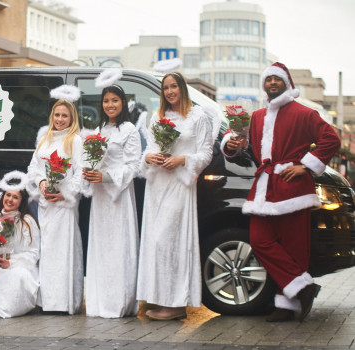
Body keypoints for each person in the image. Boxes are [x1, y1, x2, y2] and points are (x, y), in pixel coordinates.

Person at [223, 62, 340, 322]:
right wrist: (233, 144)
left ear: (287, 83)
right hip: (265, 186)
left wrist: (305, 166)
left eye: (277, 79)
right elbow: (245, 147)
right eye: (268, 80)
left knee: (294, 247)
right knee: (260, 239)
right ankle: (304, 287)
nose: (272, 83)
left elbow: (331, 139)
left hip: (293, 188)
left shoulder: (304, 113)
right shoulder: (257, 116)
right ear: (264, 84)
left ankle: (287, 305)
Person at [137, 72, 214, 320]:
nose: (170, 91)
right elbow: (149, 148)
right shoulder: (157, 116)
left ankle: (177, 304)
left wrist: (182, 160)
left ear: (182, 88)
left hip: (180, 185)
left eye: (174, 86)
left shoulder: (198, 116)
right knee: (156, 243)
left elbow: (206, 153)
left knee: (169, 240)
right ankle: (160, 299)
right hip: (157, 185)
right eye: (166, 88)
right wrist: (149, 158)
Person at [82, 73, 142, 318]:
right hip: (100, 199)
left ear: (123, 102)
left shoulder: (129, 130)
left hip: (118, 197)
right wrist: (88, 171)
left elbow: (134, 165)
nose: (110, 105)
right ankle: (99, 302)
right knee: (102, 247)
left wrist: (107, 177)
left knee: (118, 248)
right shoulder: (99, 130)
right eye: (106, 101)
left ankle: (119, 302)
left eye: (114, 100)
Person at [27, 92, 84, 315]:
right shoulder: (46, 138)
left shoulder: (75, 141)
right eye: (57, 115)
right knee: (47, 251)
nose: (60, 119)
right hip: (45, 205)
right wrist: (41, 183)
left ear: (72, 119)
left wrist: (65, 194)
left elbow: (80, 174)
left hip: (64, 207)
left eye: (65, 116)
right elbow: (33, 168)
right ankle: (47, 301)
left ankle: (64, 302)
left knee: (63, 252)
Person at [0, 172, 41, 318]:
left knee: (17, 276)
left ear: (21, 201)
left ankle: (12, 308)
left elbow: (33, 253)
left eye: (15, 197)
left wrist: (11, 263)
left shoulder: (27, 222)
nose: (10, 200)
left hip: (19, 267)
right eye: (8, 195)